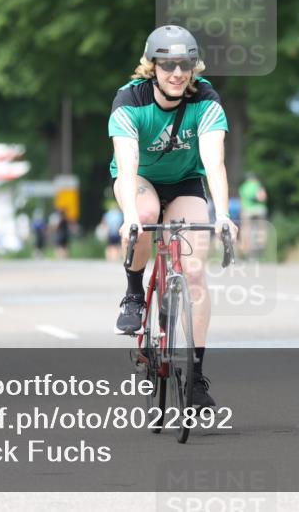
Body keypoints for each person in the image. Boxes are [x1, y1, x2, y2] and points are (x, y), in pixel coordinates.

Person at [108, 24, 235, 409]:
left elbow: (214, 162)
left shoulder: (207, 100)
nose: (178, 73)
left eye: (185, 64)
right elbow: (127, 166)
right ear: (152, 66)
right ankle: (134, 295)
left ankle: (195, 374)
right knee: (145, 216)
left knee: (194, 270)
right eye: (168, 65)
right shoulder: (129, 100)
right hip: (140, 181)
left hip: (184, 183)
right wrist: (130, 215)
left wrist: (224, 214)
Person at [238, 172, 268, 259]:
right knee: (262, 227)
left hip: (247, 210)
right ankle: (261, 241)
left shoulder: (243, 187)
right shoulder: (258, 185)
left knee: (245, 228)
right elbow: (262, 197)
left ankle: (245, 245)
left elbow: (241, 201)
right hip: (259, 210)